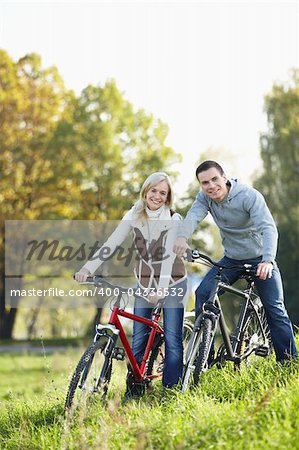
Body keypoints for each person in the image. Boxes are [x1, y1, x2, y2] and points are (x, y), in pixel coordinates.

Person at [75, 172, 187, 397]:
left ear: (167, 198)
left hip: (172, 282)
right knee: (138, 339)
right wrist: (88, 268)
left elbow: (166, 258)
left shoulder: (173, 220)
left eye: (162, 193)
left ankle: (171, 393)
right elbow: (112, 242)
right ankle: (134, 393)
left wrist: (163, 288)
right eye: (153, 190)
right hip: (144, 284)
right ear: (145, 191)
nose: (156, 196)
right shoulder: (134, 213)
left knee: (173, 340)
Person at [173, 160, 297, 363]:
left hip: (260, 259)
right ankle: (204, 354)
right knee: (203, 293)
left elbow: (268, 228)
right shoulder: (205, 197)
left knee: (275, 308)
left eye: (215, 179)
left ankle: (289, 362)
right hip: (231, 259)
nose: (211, 186)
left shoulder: (249, 196)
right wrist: (181, 237)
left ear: (224, 177)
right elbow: (194, 216)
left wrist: (267, 260)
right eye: (205, 183)